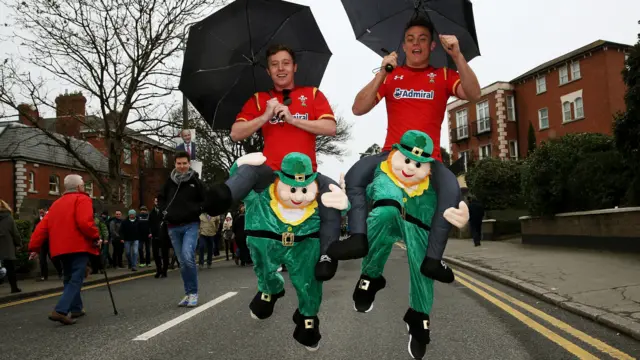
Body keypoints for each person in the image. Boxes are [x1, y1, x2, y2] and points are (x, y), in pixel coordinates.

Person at [336, 16, 481, 284]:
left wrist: (458, 56)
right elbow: (358, 108)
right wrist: (382, 72)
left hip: (429, 160)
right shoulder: (393, 77)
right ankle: (357, 237)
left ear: (432, 46)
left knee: (451, 191)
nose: (416, 44)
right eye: (410, 39)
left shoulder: (444, 76)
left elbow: (474, 94)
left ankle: (433, 260)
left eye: (422, 39)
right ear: (403, 45)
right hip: (392, 156)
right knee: (356, 176)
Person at [205, 43, 363, 280]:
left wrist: (292, 119)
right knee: (249, 169)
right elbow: (237, 133)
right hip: (271, 172)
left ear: (294, 67)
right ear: (268, 71)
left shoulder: (312, 94)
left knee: (331, 194)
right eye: (274, 64)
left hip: (306, 174)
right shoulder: (260, 99)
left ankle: (326, 256)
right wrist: (266, 115)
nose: (280, 69)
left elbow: (330, 127)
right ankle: (222, 198)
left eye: (285, 63)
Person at [349, 130, 468, 359]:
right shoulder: (382, 174)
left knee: (422, 264)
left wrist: (462, 214)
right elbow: (358, 198)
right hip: (388, 216)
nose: (410, 167)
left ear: (429, 167)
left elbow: (449, 204)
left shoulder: (431, 188)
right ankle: (371, 277)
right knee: (381, 218)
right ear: (394, 154)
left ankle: (418, 316)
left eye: (419, 163)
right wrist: (343, 203)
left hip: (417, 226)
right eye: (406, 160)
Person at [231, 151, 350, 351]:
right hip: (270, 244)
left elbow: (339, 209)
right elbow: (239, 187)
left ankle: (308, 319)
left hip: (304, 246)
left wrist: (343, 202)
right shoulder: (264, 194)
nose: (297, 196)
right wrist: (239, 166)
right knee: (264, 269)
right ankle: (271, 290)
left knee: (309, 283)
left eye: (304, 189)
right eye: (291, 188)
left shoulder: (316, 202)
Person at [28, 174, 100, 325]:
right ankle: (60, 310)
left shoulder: (56, 204)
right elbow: (85, 222)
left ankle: (76, 308)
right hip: (78, 246)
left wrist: (34, 247)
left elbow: (42, 227)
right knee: (76, 278)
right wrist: (95, 237)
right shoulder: (82, 199)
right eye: (83, 185)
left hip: (60, 248)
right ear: (79, 187)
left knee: (68, 277)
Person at [157, 150, 206, 307]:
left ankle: (193, 293)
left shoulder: (195, 182)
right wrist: (164, 211)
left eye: (185, 163)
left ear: (189, 164)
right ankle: (188, 293)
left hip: (191, 225)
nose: (182, 166)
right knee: (182, 262)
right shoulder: (169, 182)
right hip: (173, 227)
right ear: (175, 164)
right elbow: (161, 198)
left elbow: (205, 198)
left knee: (187, 257)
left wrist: (197, 209)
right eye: (179, 163)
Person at [33, 208, 63, 281]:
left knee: (53, 258)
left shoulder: (50, 218)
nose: (41, 212)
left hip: (50, 241)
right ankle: (44, 276)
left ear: (45, 211)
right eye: (40, 211)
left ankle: (60, 272)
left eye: (42, 211)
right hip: (42, 242)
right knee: (42, 259)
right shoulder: (37, 220)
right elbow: (35, 230)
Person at [0, 199, 22, 294]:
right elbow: (15, 233)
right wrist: (18, 244)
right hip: (7, 247)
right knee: (10, 268)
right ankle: (14, 288)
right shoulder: (8, 218)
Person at [149, 197, 169, 278]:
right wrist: (150, 233)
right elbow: (149, 224)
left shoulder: (165, 211)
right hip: (155, 236)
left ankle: (164, 271)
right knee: (156, 254)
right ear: (154, 202)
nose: (157, 202)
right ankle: (159, 270)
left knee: (165, 255)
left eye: (158, 201)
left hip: (164, 236)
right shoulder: (152, 212)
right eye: (156, 201)